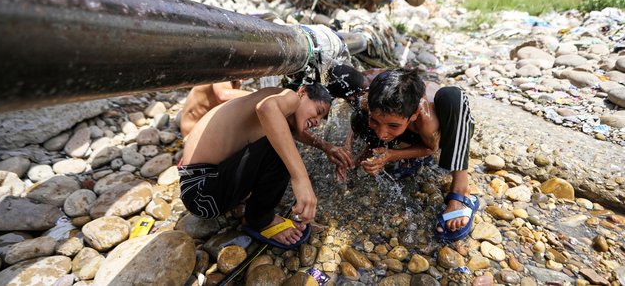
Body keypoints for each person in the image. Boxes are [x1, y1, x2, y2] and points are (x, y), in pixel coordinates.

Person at [179, 83, 332, 249]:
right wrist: (301, 180)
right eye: (318, 112)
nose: (317, 122)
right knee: (281, 148)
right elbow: (267, 108)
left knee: (282, 139)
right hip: (203, 193)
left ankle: (252, 209)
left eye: (321, 119)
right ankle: (260, 220)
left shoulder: (275, 98)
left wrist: (325, 146)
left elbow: (287, 129)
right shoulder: (290, 97)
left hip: (198, 189)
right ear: (302, 92)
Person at [346, 68, 478, 243]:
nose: (381, 133)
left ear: (414, 115)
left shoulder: (426, 121)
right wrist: (347, 147)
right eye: (375, 121)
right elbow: (358, 125)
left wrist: (391, 155)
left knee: (452, 96)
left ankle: (462, 191)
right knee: (360, 119)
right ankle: (401, 146)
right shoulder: (369, 102)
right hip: (407, 124)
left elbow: (431, 148)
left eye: (392, 126)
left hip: (448, 128)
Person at [180, 81, 251, 137]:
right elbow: (224, 95)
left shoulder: (234, 75)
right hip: (193, 134)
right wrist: (258, 95)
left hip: (204, 130)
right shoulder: (224, 69)